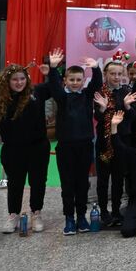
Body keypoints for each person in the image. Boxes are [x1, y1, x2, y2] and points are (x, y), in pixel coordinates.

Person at [46, 49, 102, 235]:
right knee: (67, 185)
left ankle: (81, 217)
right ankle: (69, 219)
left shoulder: (87, 96)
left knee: (82, 184)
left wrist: (95, 68)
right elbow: (53, 87)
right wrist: (54, 68)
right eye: (72, 80)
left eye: (79, 80)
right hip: (66, 148)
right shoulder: (62, 98)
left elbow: (96, 84)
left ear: (82, 80)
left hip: (85, 146)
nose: (76, 83)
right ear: (66, 81)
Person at [0, 61, 52, 233]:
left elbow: (54, 88)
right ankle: (13, 215)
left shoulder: (37, 93)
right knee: (15, 183)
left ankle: (36, 213)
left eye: (22, 79)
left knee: (38, 181)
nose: (19, 82)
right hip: (13, 149)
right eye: (14, 80)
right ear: (7, 82)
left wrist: (52, 71)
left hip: (37, 147)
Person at [93, 52, 134, 227]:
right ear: (106, 74)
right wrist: (102, 110)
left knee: (118, 178)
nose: (116, 77)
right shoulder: (100, 92)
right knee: (103, 179)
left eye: (119, 74)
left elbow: (132, 117)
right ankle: (103, 211)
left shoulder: (126, 91)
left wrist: (127, 107)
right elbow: (98, 116)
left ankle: (116, 211)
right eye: (112, 74)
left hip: (122, 141)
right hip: (104, 141)